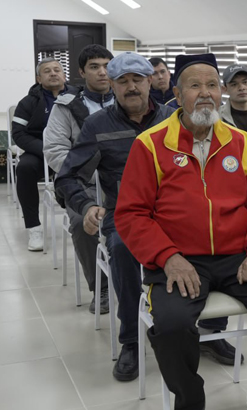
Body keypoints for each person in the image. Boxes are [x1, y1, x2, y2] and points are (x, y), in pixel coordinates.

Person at [115, 53, 247, 410]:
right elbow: (132, 215)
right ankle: (190, 402)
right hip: (178, 259)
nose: (205, 93)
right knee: (172, 327)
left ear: (221, 93)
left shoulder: (241, 142)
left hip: (239, 256)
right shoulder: (150, 144)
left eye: (213, 85)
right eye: (195, 86)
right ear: (176, 94)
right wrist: (168, 257)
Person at [55, 52, 235, 382]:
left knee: (215, 234)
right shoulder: (98, 126)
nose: (131, 87)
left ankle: (212, 330)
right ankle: (132, 340)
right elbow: (68, 177)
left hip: (178, 212)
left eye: (137, 79)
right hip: (126, 213)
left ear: (150, 81)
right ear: (111, 86)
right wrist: (87, 206)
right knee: (123, 247)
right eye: (122, 81)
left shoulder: (176, 117)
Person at [43, 44, 115, 315]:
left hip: (125, 182)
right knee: (83, 222)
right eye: (94, 67)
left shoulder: (128, 101)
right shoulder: (66, 107)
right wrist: (92, 171)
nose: (102, 72)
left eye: (107, 66)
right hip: (83, 184)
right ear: (82, 73)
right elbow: (55, 151)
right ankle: (101, 287)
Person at [12, 57, 78, 251]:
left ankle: (83, 219)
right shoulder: (28, 102)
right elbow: (18, 134)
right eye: (47, 71)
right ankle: (34, 227)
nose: (53, 73)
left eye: (57, 69)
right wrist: (46, 149)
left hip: (73, 150)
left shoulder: (78, 96)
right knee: (24, 168)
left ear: (64, 75)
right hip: (39, 152)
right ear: (39, 79)